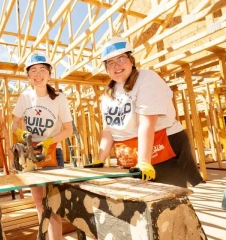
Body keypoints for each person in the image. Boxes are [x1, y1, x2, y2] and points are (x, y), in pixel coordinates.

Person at [85, 37, 203, 188]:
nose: (116, 65)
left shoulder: (146, 78)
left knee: (169, 200)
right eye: (110, 62)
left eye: (121, 59)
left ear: (131, 61)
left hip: (160, 145)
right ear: (106, 68)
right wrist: (99, 160)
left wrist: (144, 162)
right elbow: (109, 129)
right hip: (132, 152)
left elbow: (146, 123)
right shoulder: (108, 93)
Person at [11, 52, 73, 239]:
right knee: (39, 203)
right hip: (30, 154)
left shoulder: (59, 98)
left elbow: (68, 129)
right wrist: (20, 133)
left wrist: (48, 141)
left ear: (49, 74)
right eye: (33, 71)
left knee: (53, 204)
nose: (38, 74)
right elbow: (13, 124)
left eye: (42, 70)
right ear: (28, 76)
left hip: (52, 152)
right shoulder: (25, 97)